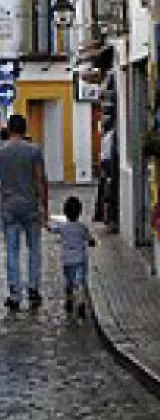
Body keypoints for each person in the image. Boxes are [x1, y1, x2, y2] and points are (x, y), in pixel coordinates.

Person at [0, 114, 48, 311]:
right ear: (25, 129)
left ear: (10, 130)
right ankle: (34, 289)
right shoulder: (34, 150)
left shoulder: (1, 152)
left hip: (9, 206)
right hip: (30, 206)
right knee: (34, 249)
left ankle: (14, 292)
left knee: (11, 250)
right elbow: (40, 180)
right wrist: (44, 206)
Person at [55, 196, 95, 318]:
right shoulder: (82, 227)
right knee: (80, 282)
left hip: (67, 260)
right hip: (80, 260)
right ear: (80, 212)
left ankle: (69, 301)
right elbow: (90, 239)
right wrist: (92, 242)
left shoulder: (63, 227)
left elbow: (52, 229)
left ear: (65, 212)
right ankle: (81, 303)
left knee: (69, 282)